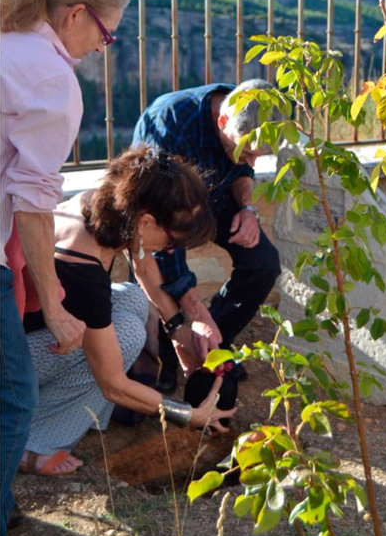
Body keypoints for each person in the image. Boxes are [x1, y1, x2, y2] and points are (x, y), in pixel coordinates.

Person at [0, 0, 131, 536]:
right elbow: (31, 200)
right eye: (106, 33)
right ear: (75, 13)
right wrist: (52, 301)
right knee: (12, 398)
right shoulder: (49, 75)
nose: (103, 47)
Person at [17, 146, 235, 477]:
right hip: (12, 364)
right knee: (127, 335)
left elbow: (143, 265)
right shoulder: (82, 267)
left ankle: (60, 410)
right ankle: (33, 441)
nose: (171, 249)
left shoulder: (101, 205)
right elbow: (113, 384)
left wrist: (178, 332)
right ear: (146, 222)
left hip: (30, 336)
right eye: (173, 241)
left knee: (132, 299)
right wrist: (188, 415)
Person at [133, 79, 282, 390]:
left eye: (258, 155)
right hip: (161, 207)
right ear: (222, 120)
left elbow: (241, 171)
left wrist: (247, 209)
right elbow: (162, 235)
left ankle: (214, 347)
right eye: (245, 152)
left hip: (215, 195)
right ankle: (165, 355)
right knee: (165, 273)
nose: (252, 162)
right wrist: (195, 311)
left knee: (263, 263)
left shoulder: (247, 114)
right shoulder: (169, 123)